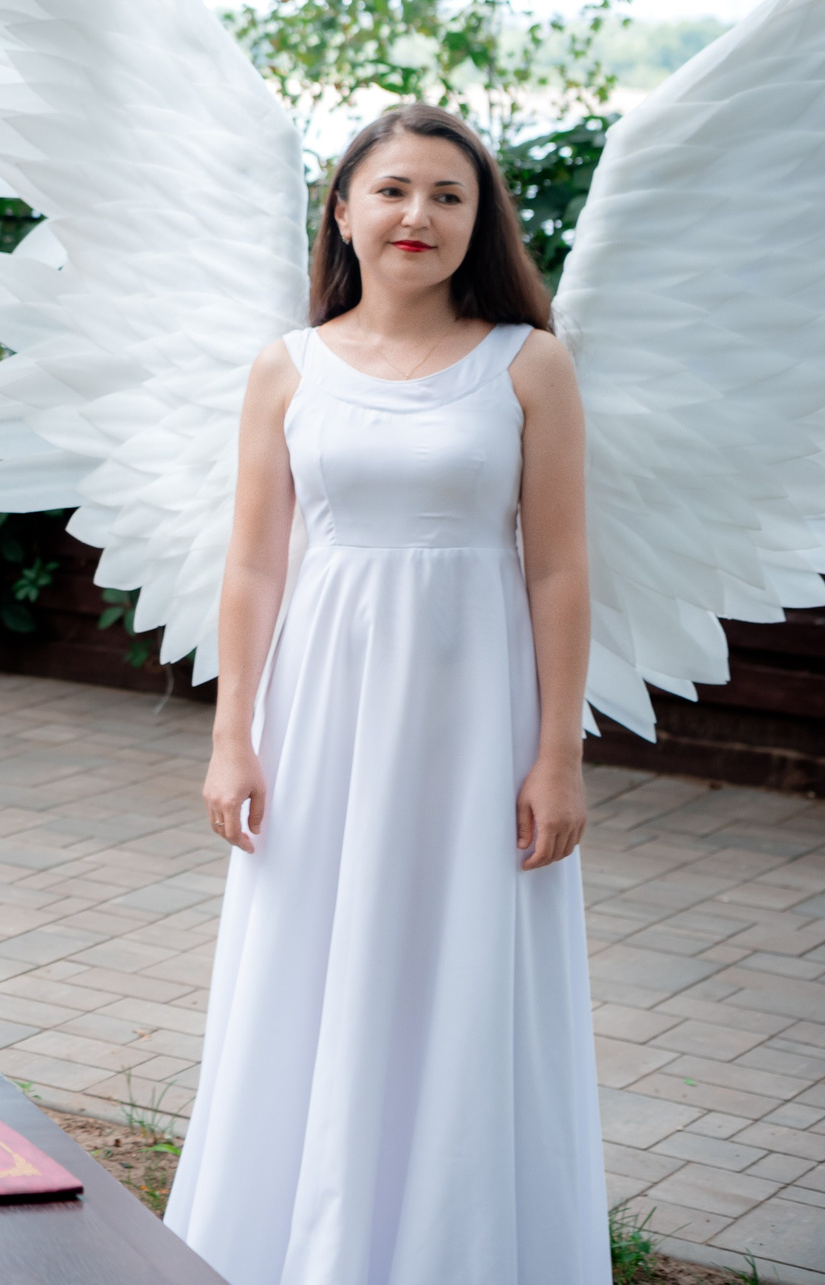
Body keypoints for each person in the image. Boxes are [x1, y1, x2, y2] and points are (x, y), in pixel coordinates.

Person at [163, 104, 608, 1283]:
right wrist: (232, 736)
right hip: (321, 717)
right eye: (395, 188)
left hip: (477, 726)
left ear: (480, 219)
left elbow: (558, 568)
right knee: (310, 962)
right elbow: (254, 566)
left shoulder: (527, 363)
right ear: (344, 208)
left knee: (461, 965)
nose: (419, 214)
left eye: (449, 195)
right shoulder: (288, 366)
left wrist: (556, 753)